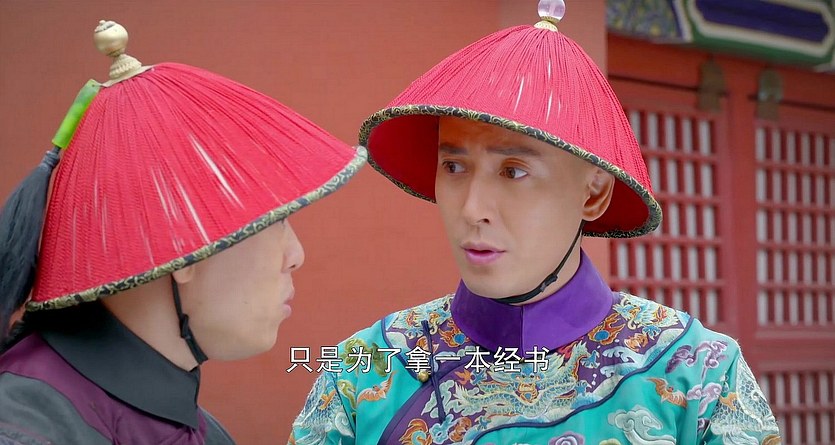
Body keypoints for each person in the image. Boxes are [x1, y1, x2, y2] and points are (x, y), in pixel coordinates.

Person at [289, 2, 781, 444]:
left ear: (594, 192)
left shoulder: (697, 374)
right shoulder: (364, 372)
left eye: (513, 171)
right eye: (453, 166)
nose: (472, 209)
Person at [0, 20, 365, 444]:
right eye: (275, 221)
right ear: (185, 248)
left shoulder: (197, 429)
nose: (296, 256)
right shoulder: (27, 430)